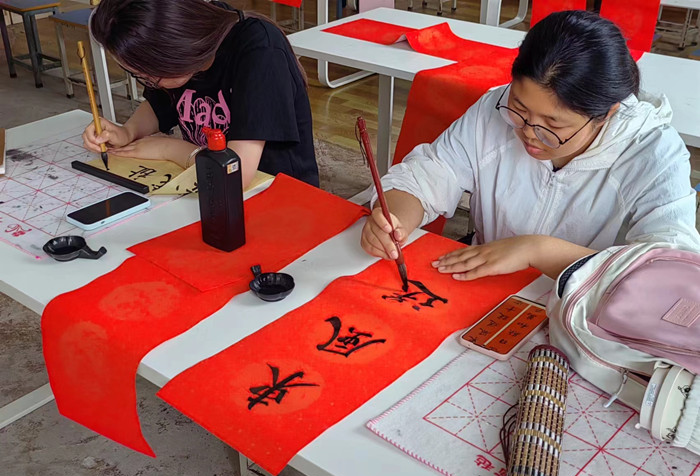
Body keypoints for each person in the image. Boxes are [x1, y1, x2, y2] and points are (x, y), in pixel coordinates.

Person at [361, 10, 700, 280]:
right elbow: (433, 171)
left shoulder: (653, 152)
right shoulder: (493, 108)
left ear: (606, 113)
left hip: (584, 313)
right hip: (486, 287)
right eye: (519, 109)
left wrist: (539, 251)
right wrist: (396, 218)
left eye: (554, 125)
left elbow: (669, 271)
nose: (529, 133)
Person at [82, 0, 319, 188]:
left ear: (180, 50)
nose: (150, 83)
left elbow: (236, 173)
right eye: (139, 76)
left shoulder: (260, 50)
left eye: (151, 76)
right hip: (207, 180)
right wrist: (127, 131)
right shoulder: (186, 49)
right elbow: (160, 102)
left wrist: (167, 149)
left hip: (277, 192)